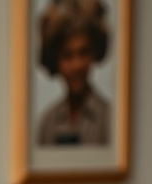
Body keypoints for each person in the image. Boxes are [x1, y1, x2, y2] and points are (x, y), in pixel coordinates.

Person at [35, 0, 111, 146]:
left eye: (83, 53)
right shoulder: (47, 123)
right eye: (67, 55)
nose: (77, 65)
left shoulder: (110, 119)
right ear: (55, 60)